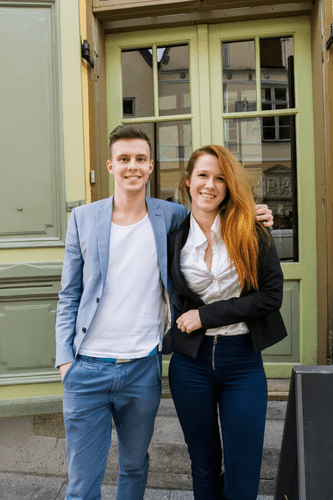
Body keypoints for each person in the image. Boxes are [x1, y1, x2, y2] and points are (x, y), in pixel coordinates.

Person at [55, 126, 273, 500]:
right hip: (90, 365)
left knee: (136, 465)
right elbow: (69, 294)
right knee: (82, 481)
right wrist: (65, 360)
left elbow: (218, 211)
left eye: (140, 159)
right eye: (124, 159)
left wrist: (254, 214)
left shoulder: (169, 216)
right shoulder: (86, 219)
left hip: (144, 365)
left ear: (152, 166)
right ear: (110, 165)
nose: (132, 167)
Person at [167, 145, 287, 500]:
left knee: (244, 464)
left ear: (229, 186)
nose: (210, 185)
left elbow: (270, 296)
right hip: (191, 364)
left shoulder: (251, 229)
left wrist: (205, 315)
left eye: (220, 178)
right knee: (203, 462)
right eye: (203, 175)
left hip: (242, 362)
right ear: (188, 181)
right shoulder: (172, 237)